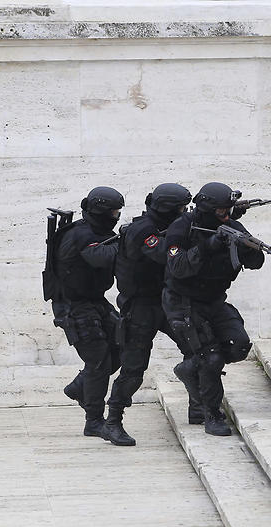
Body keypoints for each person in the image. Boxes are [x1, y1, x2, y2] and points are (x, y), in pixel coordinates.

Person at [163, 182, 265, 436]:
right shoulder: (182, 227)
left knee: (239, 345)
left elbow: (257, 262)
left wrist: (246, 248)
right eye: (221, 212)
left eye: (229, 210)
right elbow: (179, 267)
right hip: (183, 302)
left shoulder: (232, 226)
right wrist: (210, 245)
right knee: (211, 358)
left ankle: (190, 369)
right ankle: (212, 414)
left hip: (214, 301)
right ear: (207, 208)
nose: (227, 215)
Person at [109, 183, 194, 443]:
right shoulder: (142, 230)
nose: (184, 213)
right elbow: (163, 254)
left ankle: (200, 405)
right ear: (168, 209)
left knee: (197, 349)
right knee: (133, 368)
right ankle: (113, 420)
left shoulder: (168, 226)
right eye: (181, 209)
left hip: (167, 301)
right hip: (141, 306)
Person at [50, 187, 125, 441]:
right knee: (99, 361)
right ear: (102, 212)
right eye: (114, 212)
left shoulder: (96, 230)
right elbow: (101, 257)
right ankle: (94, 421)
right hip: (73, 306)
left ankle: (80, 387)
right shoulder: (81, 234)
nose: (117, 217)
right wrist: (129, 243)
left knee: (121, 345)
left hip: (94, 301)